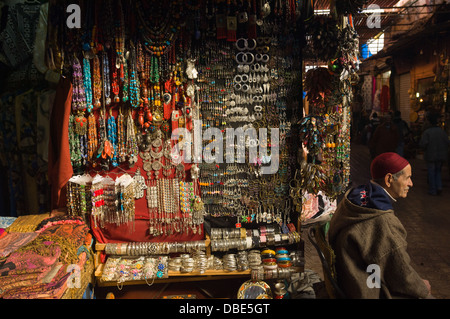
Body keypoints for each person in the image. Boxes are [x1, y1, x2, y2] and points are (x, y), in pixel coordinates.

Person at [328, 152, 433, 299]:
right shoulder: (382, 221)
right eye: (408, 178)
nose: (411, 184)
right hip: (365, 289)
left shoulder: (354, 198)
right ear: (389, 179)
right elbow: (400, 274)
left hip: (348, 281)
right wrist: (422, 289)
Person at [419, 113, 449, 196]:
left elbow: (423, 144)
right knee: (438, 171)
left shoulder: (427, 132)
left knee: (431, 172)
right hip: (441, 155)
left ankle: (433, 189)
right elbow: (447, 142)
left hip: (431, 155)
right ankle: (439, 186)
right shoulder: (442, 132)